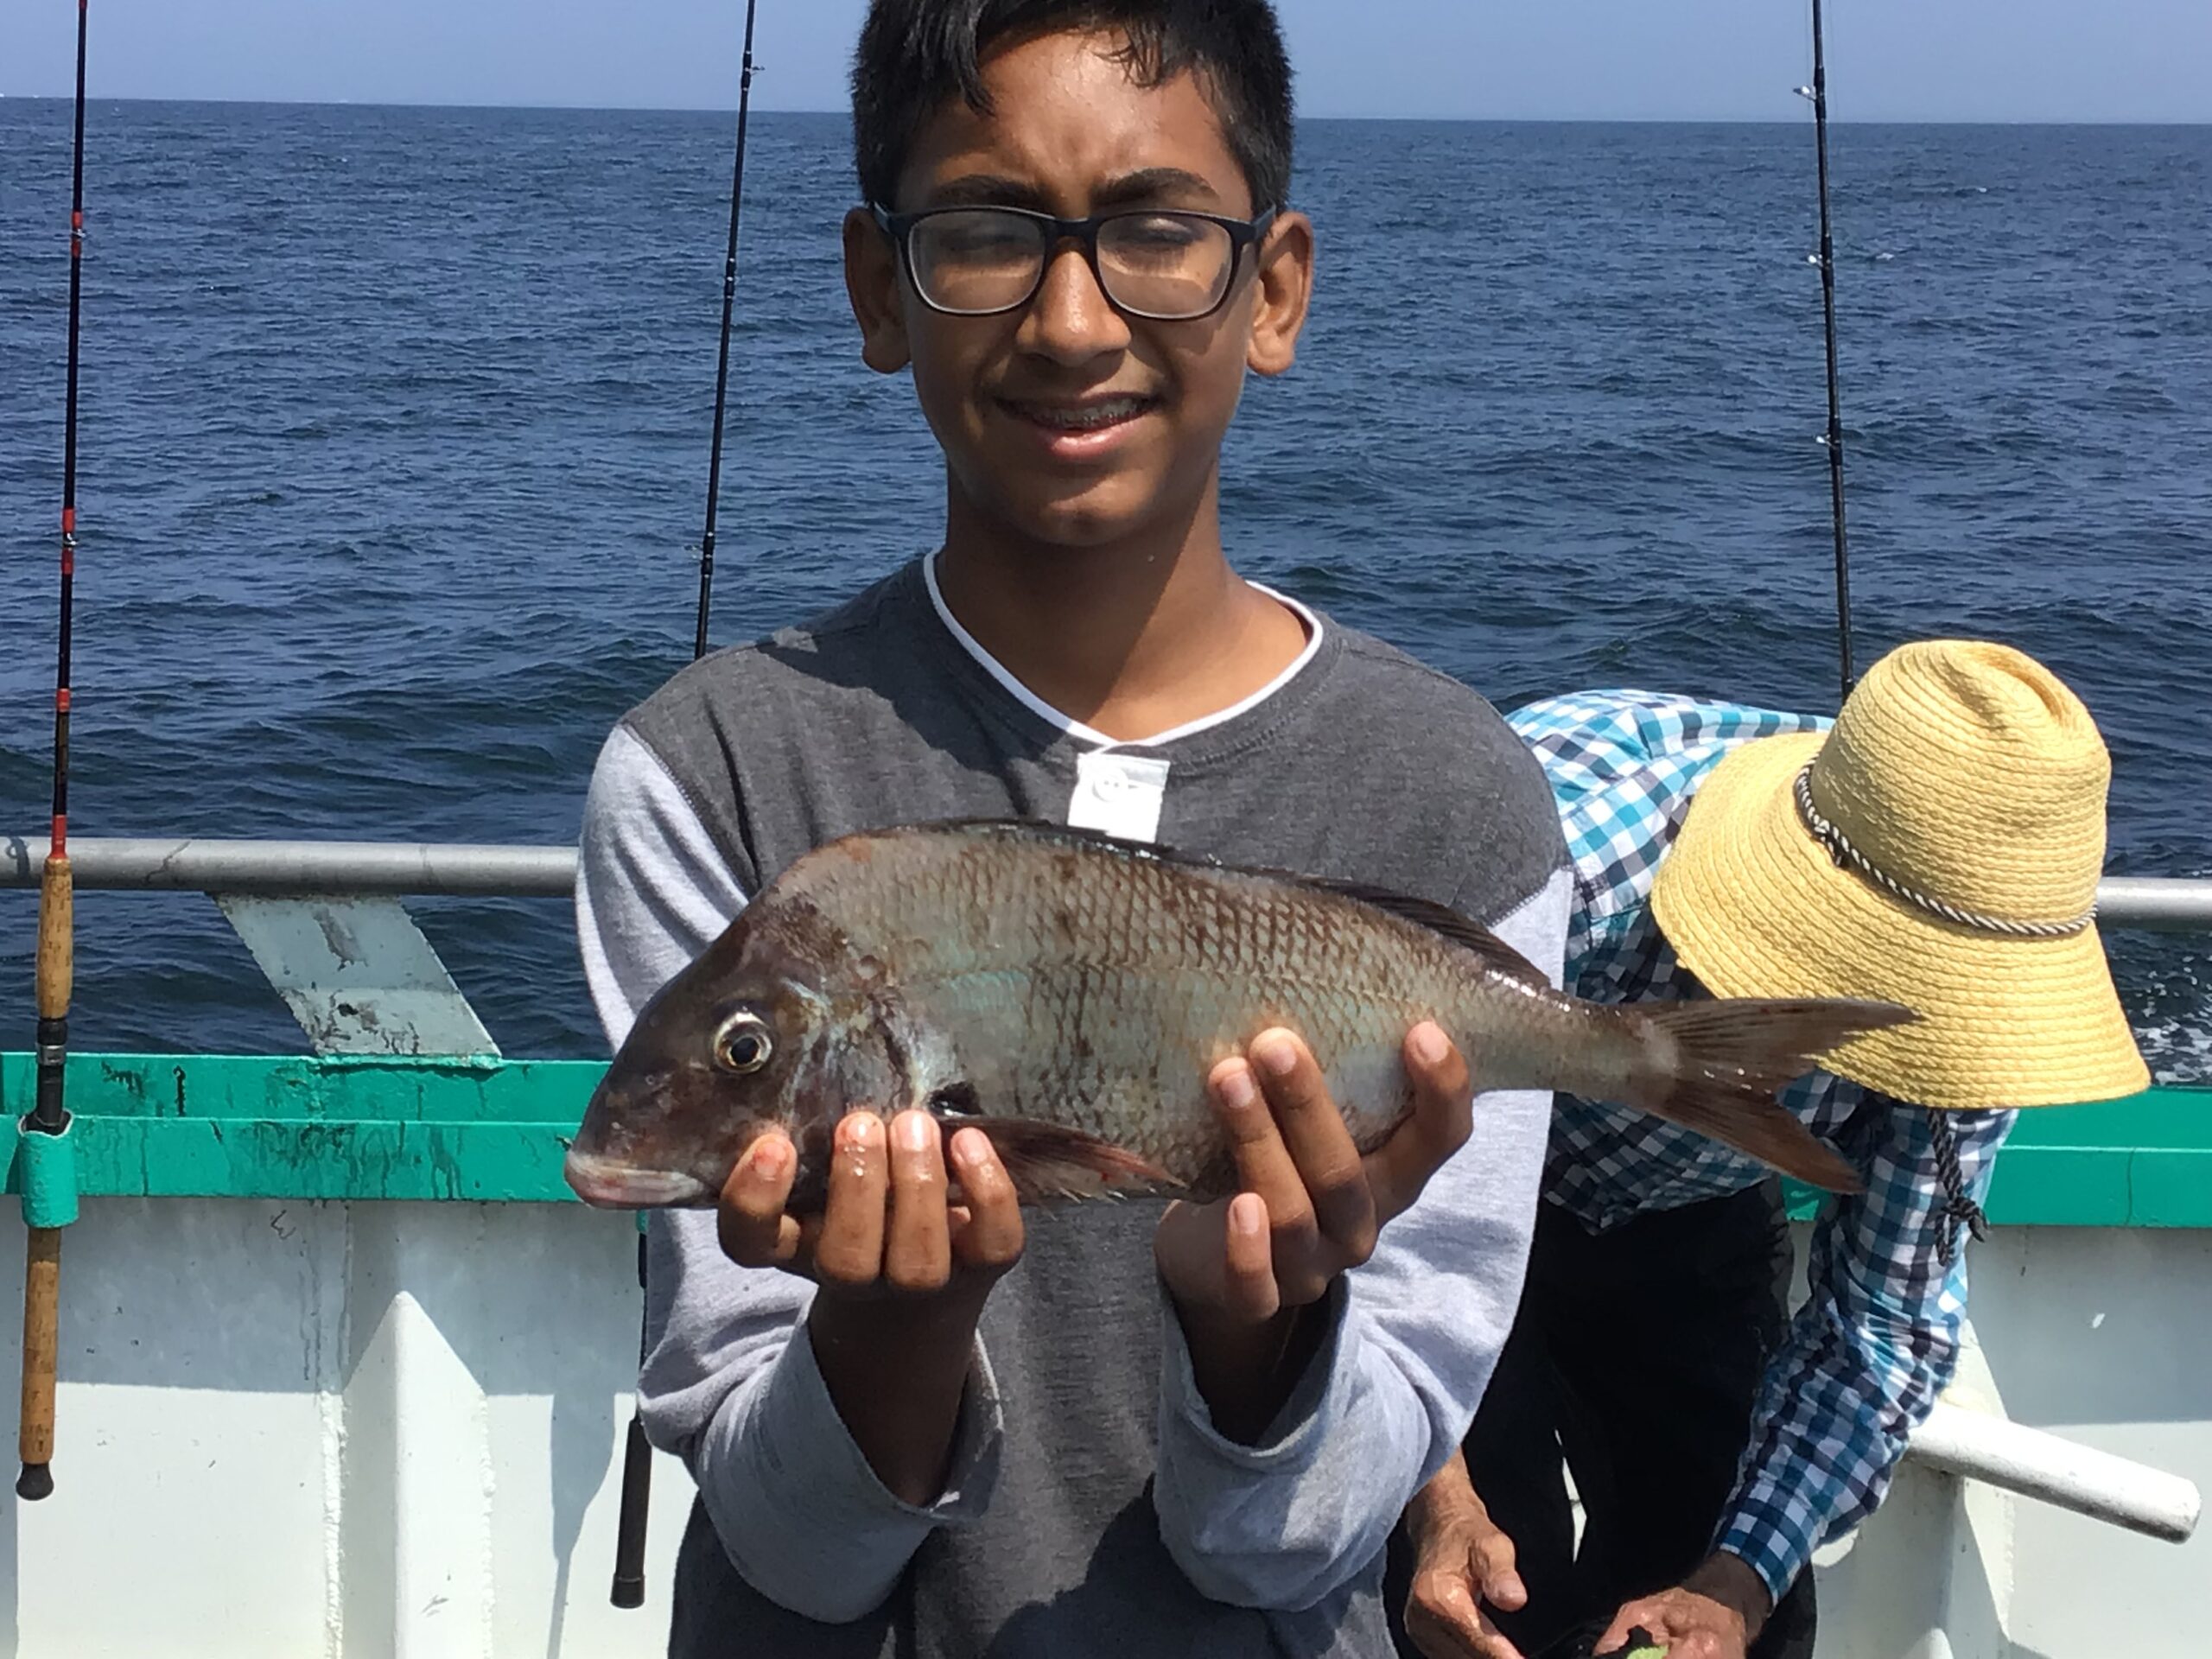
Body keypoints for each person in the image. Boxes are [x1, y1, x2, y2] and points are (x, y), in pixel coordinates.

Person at [573, 3, 1573, 1654]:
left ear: (1276, 289)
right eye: (982, 232)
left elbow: (1306, 1542)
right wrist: (894, 1336)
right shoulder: (708, 776)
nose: (1067, 318)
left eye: (1157, 231)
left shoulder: (1460, 804)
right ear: (877, 287)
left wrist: (1265, 1338)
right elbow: (791, 1554)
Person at [1390, 639, 2151, 1659]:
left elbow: (1880, 1326)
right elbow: (1338, 1160)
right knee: (1478, 1586)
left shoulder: (1978, 999)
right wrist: (1434, 1499)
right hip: (1440, 1189)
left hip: (1689, 1217)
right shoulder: (1556, 857)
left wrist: (1734, 1584)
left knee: (1738, 1595)